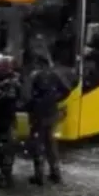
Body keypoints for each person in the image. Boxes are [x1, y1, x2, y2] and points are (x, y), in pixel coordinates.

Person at [27, 47, 71, 185]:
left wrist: (32, 106)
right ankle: (55, 173)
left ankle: (39, 175)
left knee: (37, 144)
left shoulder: (35, 76)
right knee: (51, 144)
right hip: (51, 113)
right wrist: (55, 99)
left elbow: (28, 96)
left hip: (38, 114)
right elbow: (67, 90)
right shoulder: (54, 75)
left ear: (39, 63)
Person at [0, 55, 21, 188]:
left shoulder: (11, 82)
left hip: (7, 119)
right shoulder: (0, 80)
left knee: (5, 149)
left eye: (0, 67)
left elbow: (7, 100)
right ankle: (3, 173)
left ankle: (6, 177)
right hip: (1, 118)